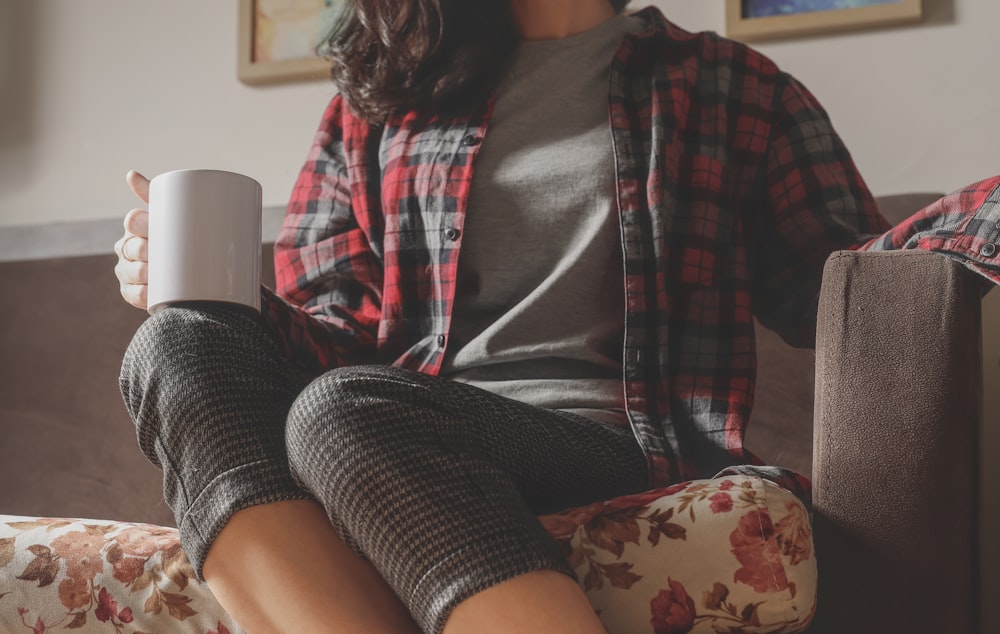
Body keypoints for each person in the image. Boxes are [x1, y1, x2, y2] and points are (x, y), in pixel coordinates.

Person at [113, 0, 1000, 632]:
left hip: (608, 445)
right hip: (383, 441)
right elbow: (323, 336)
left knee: (347, 413)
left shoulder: (734, 86)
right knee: (176, 341)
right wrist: (192, 285)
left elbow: (846, 283)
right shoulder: (378, 110)